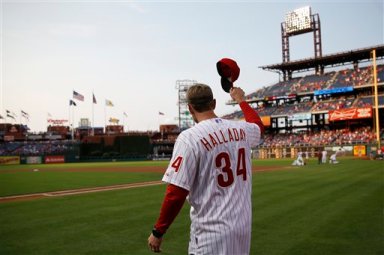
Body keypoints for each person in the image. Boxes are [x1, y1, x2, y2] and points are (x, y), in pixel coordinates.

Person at [147, 83, 264, 254]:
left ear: (190, 108)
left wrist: (158, 231)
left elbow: (176, 192)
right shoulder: (241, 128)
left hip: (210, 235)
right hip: (242, 230)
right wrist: (241, 101)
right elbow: (258, 127)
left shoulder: (189, 137)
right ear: (214, 103)